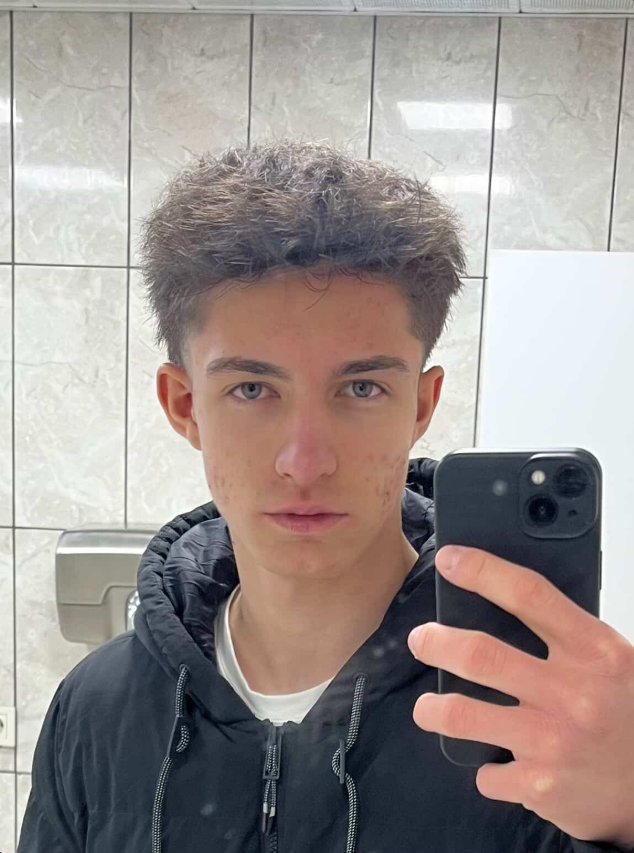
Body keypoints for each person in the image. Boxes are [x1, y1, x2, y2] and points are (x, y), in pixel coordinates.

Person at [17, 140, 634, 853]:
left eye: (361, 387)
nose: (304, 462)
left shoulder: (545, 714)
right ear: (184, 404)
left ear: (421, 404)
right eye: (252, 389)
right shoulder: (95, 710)